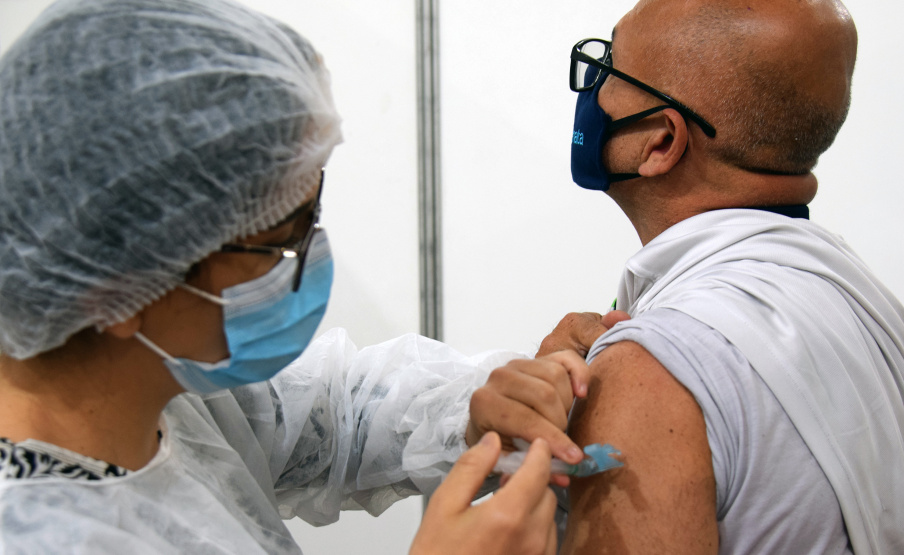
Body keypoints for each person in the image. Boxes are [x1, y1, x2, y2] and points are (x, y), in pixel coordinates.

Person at [0, 0, 614, 552]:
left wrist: (473, 406)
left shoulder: (167, 397)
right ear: (121, 282)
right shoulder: (39, 535)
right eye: (282, 237)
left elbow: (336, 411)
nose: (309, 255)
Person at [559, 0, 904, 553]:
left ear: (660, 142)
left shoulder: (649, 369)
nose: (595, 86)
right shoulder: (865, 301)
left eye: (613, 68)